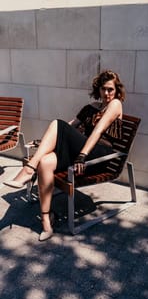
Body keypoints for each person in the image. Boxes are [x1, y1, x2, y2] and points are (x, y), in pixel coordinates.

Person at [4, 70, 125, 241]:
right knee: (45, 161)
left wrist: (82, 155)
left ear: (116, 90)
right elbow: (71, 126)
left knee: (57, 123)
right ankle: (46, 220)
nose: (107, 93)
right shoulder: (90, 108)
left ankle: (29, 169)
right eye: (103, 89)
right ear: (98, 89)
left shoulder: (116, 104)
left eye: (110, 89)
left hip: (99, 155)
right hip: (83, 150)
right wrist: (44, 142)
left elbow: (97, 132)